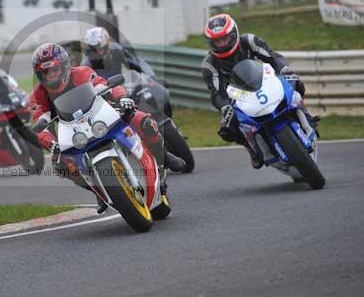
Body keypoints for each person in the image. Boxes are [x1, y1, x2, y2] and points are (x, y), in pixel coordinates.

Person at [29, 43, 185, 213]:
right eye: (46, 73)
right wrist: (51, 143)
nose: (51, 76)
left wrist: (122, 97)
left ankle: (164, 157)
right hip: (72, 132)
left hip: (102, 113)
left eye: (54, 70)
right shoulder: (38, 94)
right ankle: (98, 190)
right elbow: (39, 124)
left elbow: (103, 85)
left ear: (64, 66)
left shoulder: (81, 72)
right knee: (61, 166)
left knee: (144, 121)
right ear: (39, 74)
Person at [201, 13, 310, 169]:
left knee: (295, 83)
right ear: (210, 43)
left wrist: (284, 69)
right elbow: (216, 92)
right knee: (227, 127)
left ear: (234, 34)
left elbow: (272, 57)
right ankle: (252, 149)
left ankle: (306, 114)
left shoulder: (249, 41)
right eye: (217, 41)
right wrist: (225, 107)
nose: (222, 44)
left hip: (265, 82)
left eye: (225, 39)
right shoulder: (209, 64)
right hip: (238, 97)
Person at [81, 27, 156, 79]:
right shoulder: (86, 63)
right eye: (94, 50)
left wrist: (151, 77)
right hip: (100, 96)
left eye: (102, 49)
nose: (99, 53)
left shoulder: (116, 50)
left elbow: (137, 62)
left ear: (107, 44)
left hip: (120, 90)